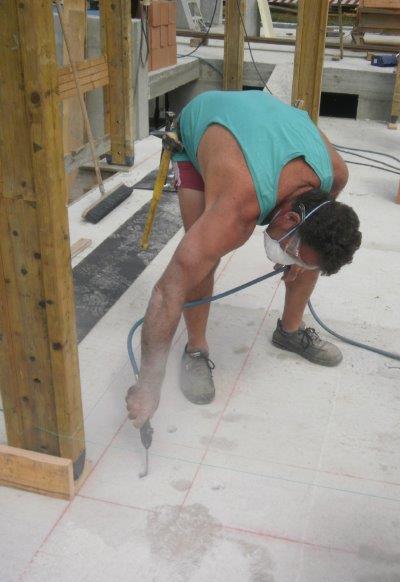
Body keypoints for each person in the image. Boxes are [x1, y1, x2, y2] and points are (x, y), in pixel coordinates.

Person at [126, 90, 361, 427]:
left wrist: (299, 259)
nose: (293, 260)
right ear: (289, 218)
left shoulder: (335, 173)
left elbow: (320, 222)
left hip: (262, 121)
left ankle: (290, 330)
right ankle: (195, 350)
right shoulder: (236, 209)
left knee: (314, 250)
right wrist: (148, 385)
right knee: (201, 262)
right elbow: (167, 292)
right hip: (204, 124)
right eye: (293, 253)